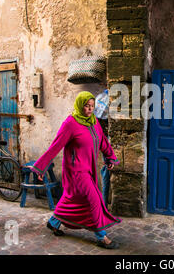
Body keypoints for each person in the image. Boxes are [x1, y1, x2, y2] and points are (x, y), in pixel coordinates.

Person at [26, 91, 121, 249]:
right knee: (95, 198)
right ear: (80, 105)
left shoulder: (93, 122)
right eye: (87, 106)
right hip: (76, 171)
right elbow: (55, 146)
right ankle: (101, 236)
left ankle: (53, 222)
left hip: (90, 168)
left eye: (92, 106)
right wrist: (40, 167)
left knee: (72, 198)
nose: (90, 109)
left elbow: (102, 141)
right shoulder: (70, 123)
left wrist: (109, 157)